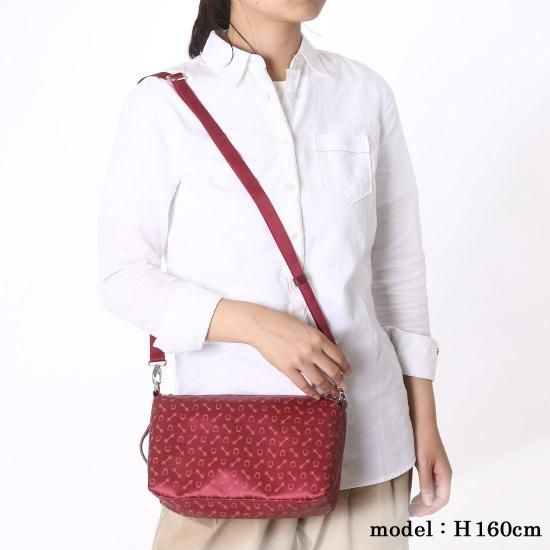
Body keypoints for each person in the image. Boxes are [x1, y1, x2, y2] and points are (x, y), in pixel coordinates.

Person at [97, 1, 452, 548]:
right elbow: (123, 277)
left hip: (368, 446)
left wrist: (424, 421)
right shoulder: (164, 103)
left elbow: (395, 271)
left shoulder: (364, 93)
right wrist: (254, 326)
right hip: (225, 454)